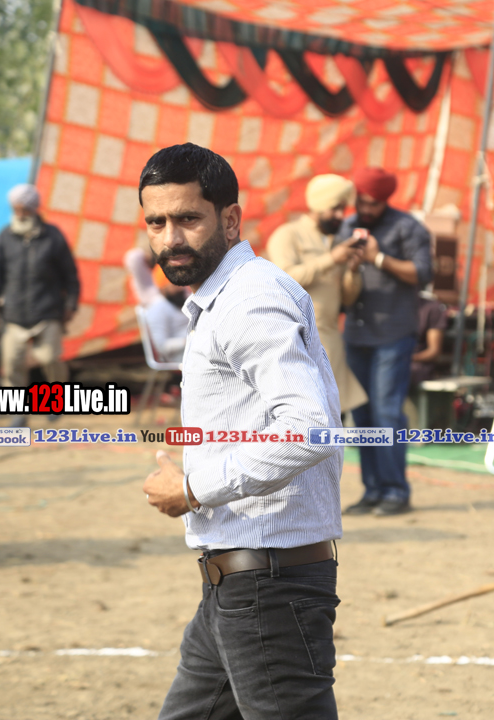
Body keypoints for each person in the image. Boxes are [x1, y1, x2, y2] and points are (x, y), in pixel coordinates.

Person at [137, 143, 344, 718]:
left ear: (230, 220)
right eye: (157, 222)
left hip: (268, 585)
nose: (171, 238)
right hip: (236, 580)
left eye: (188, 218)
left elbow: (309, 428)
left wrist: (193, 488)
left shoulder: (248, 300)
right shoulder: (227, 296)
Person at [340, 167, 432, 517]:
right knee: (362, 416)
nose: (366, 208)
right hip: (356, 333)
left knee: (387, 413)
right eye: (361, 201)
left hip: (393, 334)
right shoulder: (348, 227)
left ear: (385, 200)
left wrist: (378, 258)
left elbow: (422, 273)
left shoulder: (407, 228)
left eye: (373, 203)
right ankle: (373, 490)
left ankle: (395, 491)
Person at [267, 174, 368, 414]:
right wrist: (331, 259)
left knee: (334, 416)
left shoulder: (335, 242)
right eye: (334, 208)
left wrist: (353, 270)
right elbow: (284, 279)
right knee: (304, 415)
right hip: (297, 341)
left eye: (342, 209)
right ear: (319, 205)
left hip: (331, 343)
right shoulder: (288, 235)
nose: (340, 215)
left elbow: (347, 299)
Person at [0, 183, 79, 390]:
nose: (20, 214)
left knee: (50, 359)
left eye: (24, 209)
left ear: (34, 209)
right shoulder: (5, 237)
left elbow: (70, 276)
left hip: (47, 312)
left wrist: (71, 304)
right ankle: (16, 407)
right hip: (14, 314)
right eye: (16, 209)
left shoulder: (52, 236)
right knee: (12, 364)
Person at [124, 247, 189, 363]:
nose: (180, 288)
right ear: (163, 288)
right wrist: (189, 341)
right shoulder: (157, 305)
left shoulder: (185, 296)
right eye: (175, 285)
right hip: (184, 356)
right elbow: (162, 346)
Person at [411, 292, 448, 387]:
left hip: (416, 365)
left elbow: (434, 351)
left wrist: (408, 358)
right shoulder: (385, 305)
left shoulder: (431, 308)